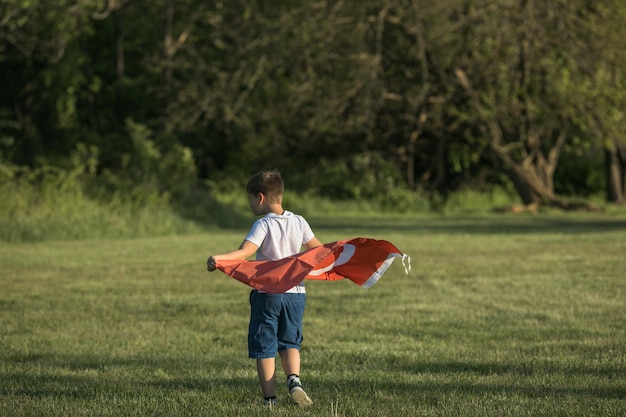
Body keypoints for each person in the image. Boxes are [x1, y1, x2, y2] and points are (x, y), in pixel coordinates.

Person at [206, 169, 322, 407]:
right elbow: (318, 251)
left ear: (260, 198)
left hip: (268, 295)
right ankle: (294, 380)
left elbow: (245, 253)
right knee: (290, 342)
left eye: (249, 199)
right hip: (296, 295)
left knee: (265, 346)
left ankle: (270, 400)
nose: (250, 204)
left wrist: (218, 258)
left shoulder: (263, 224)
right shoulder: (299, 221)